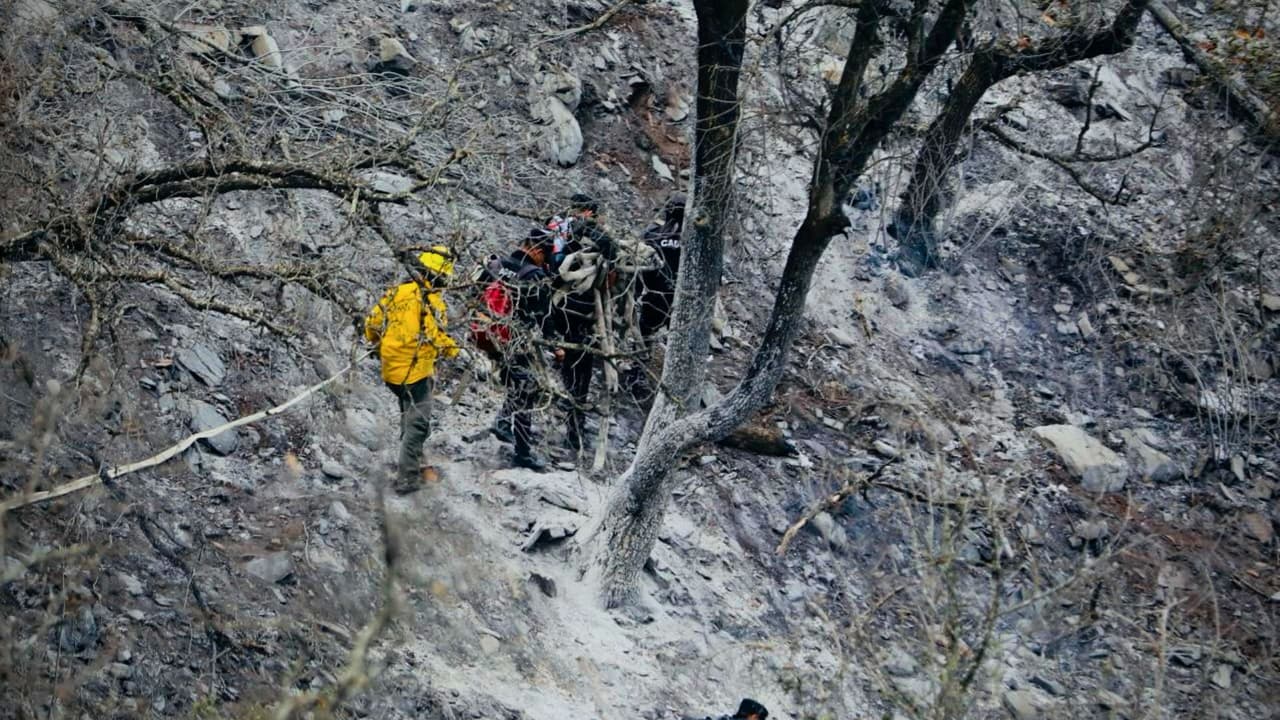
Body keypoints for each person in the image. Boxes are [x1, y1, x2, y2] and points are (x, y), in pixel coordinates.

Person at [364, 246, 459, 494]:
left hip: (391, 372)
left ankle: (413, 459)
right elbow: (435, 337)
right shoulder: (432, 302)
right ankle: (407, 478)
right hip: (415, 374)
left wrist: (377, 342)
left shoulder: (397, 292)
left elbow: (373, 323)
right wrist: (454, 350)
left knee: (409, 415)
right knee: (418, 424)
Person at [484, 228, 561, 472]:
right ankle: (522, 452)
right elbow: (544, 317)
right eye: (545, 256)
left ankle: (504, 422)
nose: (545, 261)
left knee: (520, 383)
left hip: (486, 335)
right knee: (529, 388)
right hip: (514, 341)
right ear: (537, 251)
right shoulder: (535, 276)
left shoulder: (499, 263)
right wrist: (556, 346)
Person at [547, 193, 617, 452]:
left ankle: (570, 418)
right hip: (582, 311)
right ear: (589, 212)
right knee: (580, 370)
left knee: (569, 362)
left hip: (559, 308)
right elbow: (613, 259)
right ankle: (574, 426)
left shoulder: (554, 227)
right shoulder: (593, 234)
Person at [637, 192, 686, 340]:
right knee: (678, 336)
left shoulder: (653, 234)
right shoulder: (693, 242)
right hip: (681, 295)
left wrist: (638, 292)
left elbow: (642, 267)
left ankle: (641, 359)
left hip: (657, 293)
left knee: (645, 330)